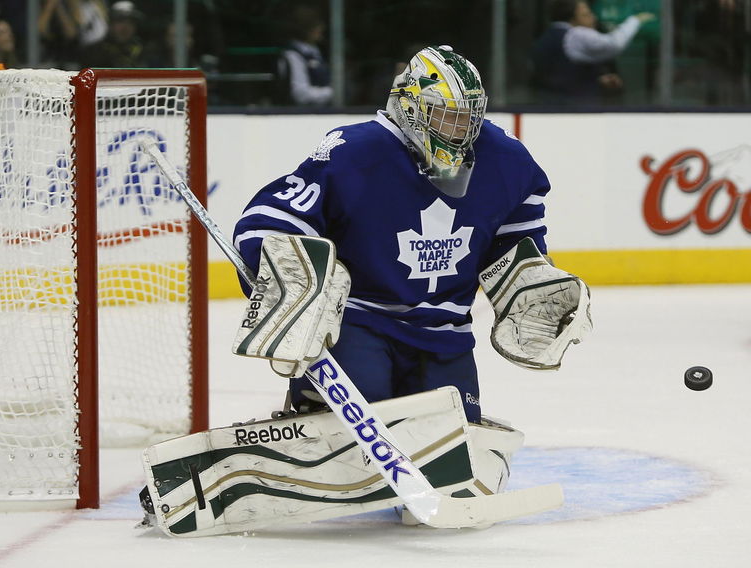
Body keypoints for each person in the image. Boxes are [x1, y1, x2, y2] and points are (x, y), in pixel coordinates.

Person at [233, 45, 592, 424]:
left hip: (446, 331)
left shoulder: (508, 160)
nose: (461, 131)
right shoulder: (356, 152)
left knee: (456, 433)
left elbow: (518, 241)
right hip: (358, 322)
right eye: (445, 116)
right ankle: (312, 417)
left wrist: (533, 281)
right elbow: (271, 218)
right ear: (409, 107)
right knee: (343, 428)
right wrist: (287, 272)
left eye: (469, 117)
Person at [532, 0, 656, 104]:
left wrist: (596, 80)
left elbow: (559, 75)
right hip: (574, 109)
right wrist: (635, 20)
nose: (594, 18)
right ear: (572, 19)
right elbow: (614, 44)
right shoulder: (576, 34)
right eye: (586, 15)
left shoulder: (549, 36)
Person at [275, 5, 332, 106]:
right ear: (306, 28)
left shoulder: (315, 52)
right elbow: (300, 94)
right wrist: (333, 93)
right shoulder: (292, 55)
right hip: (302, 114)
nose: (322, 28)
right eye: (316, 25)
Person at [81, 0, 142, 68]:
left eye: (131, 22)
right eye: (120, 20)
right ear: (110, 24)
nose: (125, 27)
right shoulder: (92, 53)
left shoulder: (142, 52)